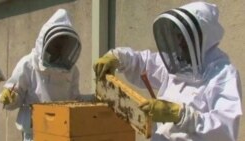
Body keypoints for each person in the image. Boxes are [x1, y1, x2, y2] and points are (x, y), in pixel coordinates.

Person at [94, 2, 242, 141]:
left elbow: (225, 129)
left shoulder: (224, 74)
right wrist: (117, 57)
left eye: (184, 37)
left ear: (202, 37)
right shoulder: (180, 63)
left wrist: (179, 115)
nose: (179, 42)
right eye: (178, 36)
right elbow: (143, 62)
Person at [0, 9, 81, 141]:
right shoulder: (28, 64)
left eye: (61, 44)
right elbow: (14, 95)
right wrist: (10, 97)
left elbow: (75, 100)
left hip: (62, 132)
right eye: (55, 44)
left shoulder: (72, 70)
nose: (58, 48)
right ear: (45, 41)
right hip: (34, 133)